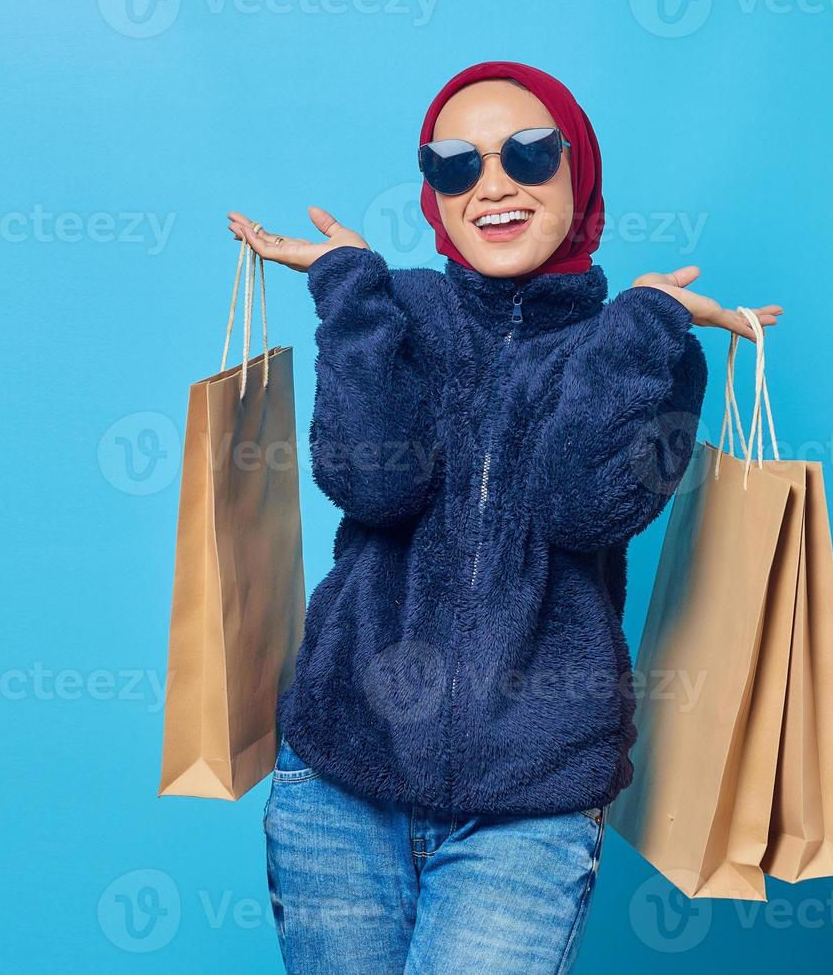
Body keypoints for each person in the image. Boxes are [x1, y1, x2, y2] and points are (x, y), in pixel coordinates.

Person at [228, 60, 781, 975]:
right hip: (337, 784)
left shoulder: (655, 355)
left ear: (579, 169)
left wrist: (640, 327)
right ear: (434, 193)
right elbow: (374, 486)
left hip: (532, 804)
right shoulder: (393, 310)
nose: (492, 184)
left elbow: (580, 506)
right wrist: (350, 292)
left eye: (528, 153)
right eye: (454, 165)